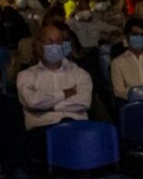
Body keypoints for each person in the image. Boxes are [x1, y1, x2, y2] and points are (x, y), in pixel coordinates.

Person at [16, 24, 93, 161]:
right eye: (49, 42)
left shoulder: (79, 73)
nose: (55, 46)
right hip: (42, 132)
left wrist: (48, 106)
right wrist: (65, 93)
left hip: (77, 128)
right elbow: (32, 101)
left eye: (58, 42)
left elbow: (84, 101)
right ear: (39, 44)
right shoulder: (26, 75)